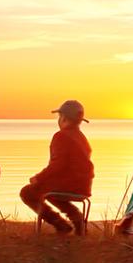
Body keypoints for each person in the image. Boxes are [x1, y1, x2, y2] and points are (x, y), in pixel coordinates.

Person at [19, 99, 94, 235]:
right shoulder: (81, 137)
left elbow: (57, 164)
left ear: (64, 118)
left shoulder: (61, 136)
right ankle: (76, 218)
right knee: (49, 189)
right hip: (83, 185)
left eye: (59, 117)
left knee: (27, 192)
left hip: (68, 185)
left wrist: (38, 178)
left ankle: (60, 224)